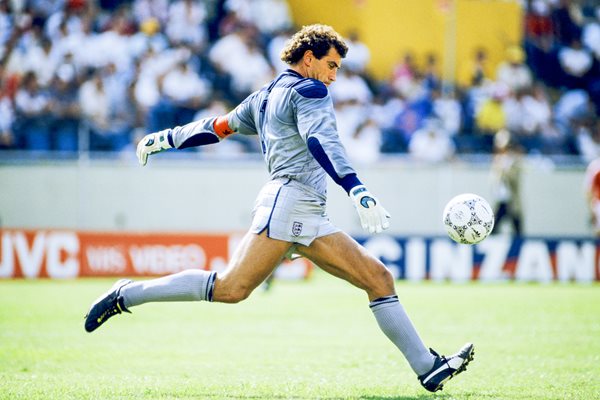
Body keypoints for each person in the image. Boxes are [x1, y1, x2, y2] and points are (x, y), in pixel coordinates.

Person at [84, 24, 473, 393]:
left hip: (303, 210)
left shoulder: (265, 96)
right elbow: (322, 141)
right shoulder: (310, 92)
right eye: (331, 65)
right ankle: (127, 293)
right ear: (308, 58)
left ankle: (428, 367)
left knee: (378, 279)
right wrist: (357, 190)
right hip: (289, 205)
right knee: (231, 288)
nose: (334, 76)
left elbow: (217, 127)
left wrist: (168, 138)